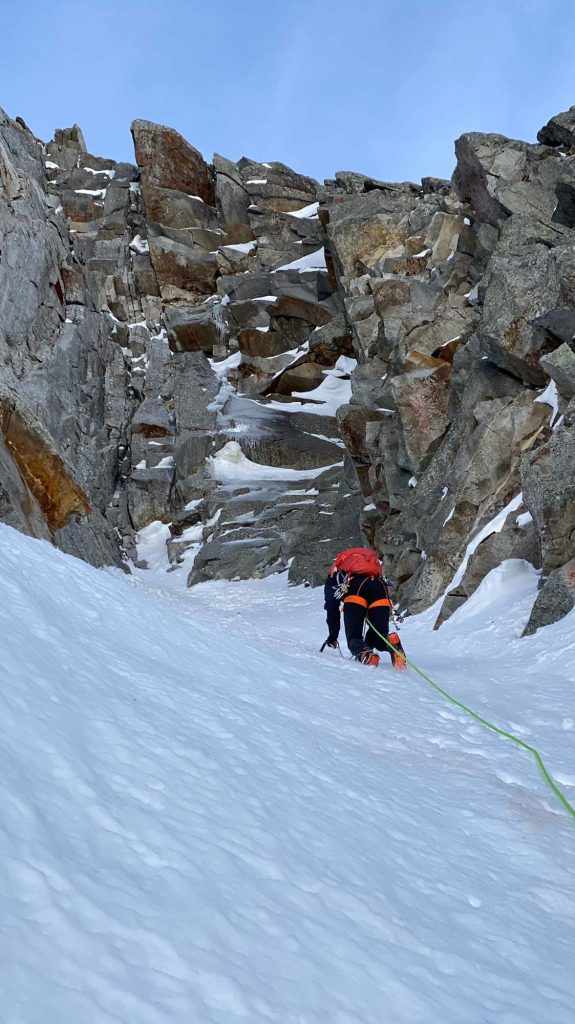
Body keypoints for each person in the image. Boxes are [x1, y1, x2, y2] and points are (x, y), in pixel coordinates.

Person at [322, 547, 406, 670]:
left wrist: (333, 636)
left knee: (354, 638)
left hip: (356, 592)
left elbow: (332, 608)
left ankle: (366, 654)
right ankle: (392, 644)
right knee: (379, 636)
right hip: (380, 588)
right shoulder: (373, 574)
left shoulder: (334, 577)